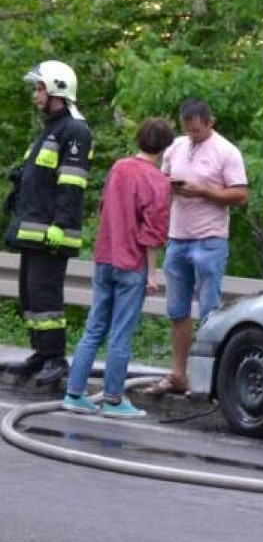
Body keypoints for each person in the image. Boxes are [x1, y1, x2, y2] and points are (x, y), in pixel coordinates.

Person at [61, 119, 174, 417]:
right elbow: (153, 233)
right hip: (131, 264)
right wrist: (151, 273)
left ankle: (74, 394)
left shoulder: (119, 167)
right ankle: (113, 400)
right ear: (165, 147)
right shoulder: (159, 181)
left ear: (139, 139)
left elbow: (102, 209)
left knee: (94, 328)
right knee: (120, 334)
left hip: (104, 257)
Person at [143, 97, 248, 396]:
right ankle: (179, 374)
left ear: (209, 122)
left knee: (209, 311)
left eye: (198, 131)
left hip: (209, 238)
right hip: (178, 238)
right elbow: (160, 181)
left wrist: (203, 191)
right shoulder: (176, 147)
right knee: (177, 311)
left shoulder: (226, 151)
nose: (193, 136)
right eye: (188, 131)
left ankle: (208, 380)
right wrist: (169, 186)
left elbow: (241, 194)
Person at [3, 60, 92, 386]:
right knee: (29, 296)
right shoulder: (51, 129)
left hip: (52, 233)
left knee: (46, 297)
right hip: (34, 229)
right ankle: (41, 353)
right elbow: (40, 177)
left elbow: (72, 183)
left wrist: (61, 224)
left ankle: (56, 358)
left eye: (40, 88)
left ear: (57, 88)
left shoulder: (75, 130)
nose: (36, 95)